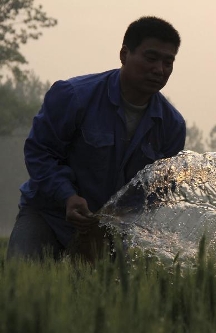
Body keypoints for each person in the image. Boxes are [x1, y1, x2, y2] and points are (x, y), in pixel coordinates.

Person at [6, 16, 186, 261]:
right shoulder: (73, 96)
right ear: (124, 54)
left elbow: (158, 190)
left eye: (168, 62)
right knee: (22, 289)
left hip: (108, 233)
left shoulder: (172, 126)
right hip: (48, 215)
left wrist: (123, 219)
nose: (159, 69)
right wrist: (67, 196)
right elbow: (40, 152)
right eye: (151, 58)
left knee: (102, 298)